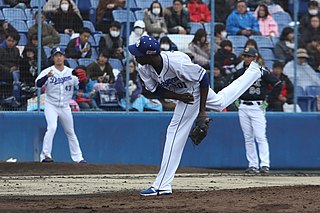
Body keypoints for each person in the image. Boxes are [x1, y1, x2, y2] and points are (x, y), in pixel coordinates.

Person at [128, 35, 267, 196]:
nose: (136, 56)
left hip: (195, 89)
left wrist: (202, 112)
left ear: (150, 55)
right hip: (184, 94)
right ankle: (254, 72)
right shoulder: (144, 67)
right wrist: (178, 97)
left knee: (174, 133)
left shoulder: (176, 62)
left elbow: (203, 77)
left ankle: (162, 185)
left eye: (139, 53)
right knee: (221, 102)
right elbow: (154, 90)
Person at [232, 47, 282, 175]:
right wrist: (235, 99)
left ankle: (265, 165)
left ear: (255, 58)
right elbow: (232, 87)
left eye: (250, 56)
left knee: (260, 136)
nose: (247, 58)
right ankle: (252, 165)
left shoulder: (262, 71)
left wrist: (268, 101)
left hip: (257, 106)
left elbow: (278, 84)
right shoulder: (239, 72)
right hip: (243, 106)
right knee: (248, 137)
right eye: (246, 56)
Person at [35, 47, 86, 163]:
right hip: (51, 105)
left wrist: (83, 80)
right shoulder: (48, 71)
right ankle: (45, 156)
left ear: (64, 57)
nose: (58, 58)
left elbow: (81, 88)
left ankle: (79, 158)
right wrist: (46, 77)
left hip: (65, 106)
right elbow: (38, 84)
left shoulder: (71, 72)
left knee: (70, 132)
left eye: (60, 55)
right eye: (56, 55)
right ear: (53, 58)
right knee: (52, 127)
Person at [0, 33, 21, 107]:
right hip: (3, 72)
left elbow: (18, 62)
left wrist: (15, 67)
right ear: (5, 40)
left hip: (14, 71)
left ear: (15, 42)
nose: (11, 43)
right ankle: (16, 99)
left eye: (13, 41)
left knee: (17, 74)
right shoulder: (1, 49)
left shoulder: (16, 50)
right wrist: (8, 69)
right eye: (9, 40)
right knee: (15, 78)